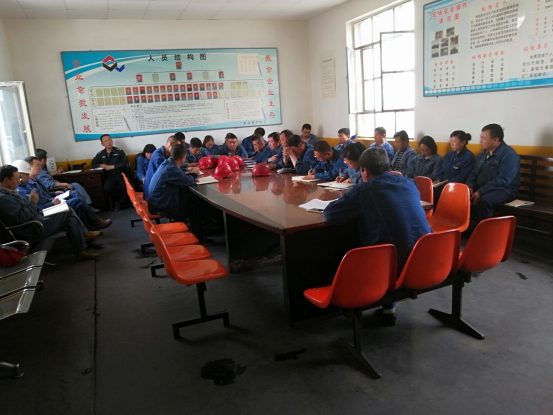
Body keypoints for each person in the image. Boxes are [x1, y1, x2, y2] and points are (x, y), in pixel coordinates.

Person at [323, 147, 432, 326]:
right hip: (427, 259)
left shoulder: (365, 190)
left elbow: (330, 215)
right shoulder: (409, 183)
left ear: (365, 171)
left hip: (393, 266)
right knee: (391, 236)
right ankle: (388, 310)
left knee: (374, 246)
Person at [0, 164, 100, 261]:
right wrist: (33, 202)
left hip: (38, 219)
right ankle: (85, 235)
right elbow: (22, 217)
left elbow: (26, 210)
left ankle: (81, 250)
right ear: (6, 180)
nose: (19, 181)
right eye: (16, 179)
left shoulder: (10, 192)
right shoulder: (3, 198)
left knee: (70, 220)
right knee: (68, 210)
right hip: (32, 228)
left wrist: (35, 205)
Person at [18, 157, 112, 232]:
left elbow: (44, 194)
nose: (40, 167)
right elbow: (37, 207)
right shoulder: (25, 187)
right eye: (37, 165)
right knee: (77, 201)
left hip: (52, 201)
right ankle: (93, 224)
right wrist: (52, 203)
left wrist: (54, 193)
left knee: (75, 196)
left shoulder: (35, 179)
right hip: (48, 208)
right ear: (28, 168)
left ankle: (88, 229)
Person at [148, 144, 213, 245]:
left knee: (191, 196)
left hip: (159, 199)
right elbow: (188, 181)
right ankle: (199, 236)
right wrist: (194, 174)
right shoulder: (170, 168)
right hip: (161, 204)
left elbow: (179, 172)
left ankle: (206, 223)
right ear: (183, 158)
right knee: (194, 203)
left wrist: (188, 172)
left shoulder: (168, 163)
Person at [466, 123, 520, 221]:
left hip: (505, 189)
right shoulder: (483, 154)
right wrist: (469, 186)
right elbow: (474, 173)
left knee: (485, 200)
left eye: (483, 138)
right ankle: (465, 227)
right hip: (485, 187)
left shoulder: (509, 155)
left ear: (495, 139)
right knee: (462, 195)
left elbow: (503, 180)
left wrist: (480, 192)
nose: (480, 141)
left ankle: (485, 229)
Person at [91, 134, 130, 212]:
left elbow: (124, 163)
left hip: (120, 174)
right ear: (102, 144)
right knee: (107, 188)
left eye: (109, 140)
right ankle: (118, 202)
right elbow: (93, 163)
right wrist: (100, 165)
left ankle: (120, 204)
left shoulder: (119, 151)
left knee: (126, 186)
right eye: (106, 141)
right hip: (109, 176)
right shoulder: (100, 154)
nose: (108, 142)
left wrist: (112, 167)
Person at [143, 135, 180, 200]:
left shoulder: (168, 154)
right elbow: (168, 172)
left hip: (160, 186)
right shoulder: (157, 155)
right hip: (153, 192)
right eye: (176, 147)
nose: (177, 150)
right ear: (171, 144)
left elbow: (173, 167)